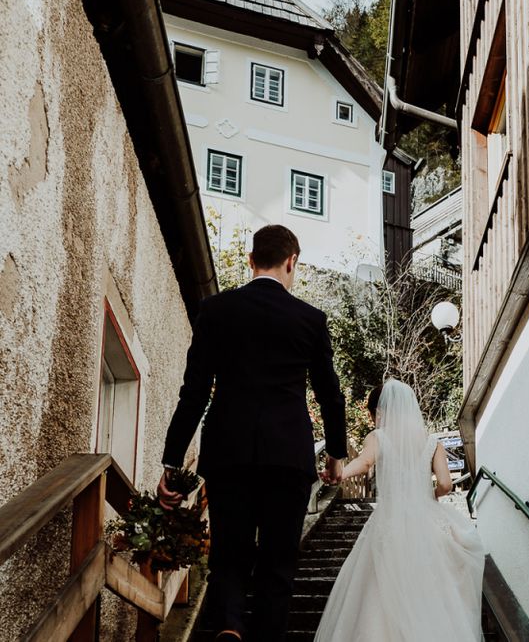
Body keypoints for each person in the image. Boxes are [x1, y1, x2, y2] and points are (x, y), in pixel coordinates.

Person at [158, 224, 347, 642]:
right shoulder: (310, 320)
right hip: (288, 457)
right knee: (278, 563)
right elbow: (330, 395)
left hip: (229, 453)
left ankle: (228, 624)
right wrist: (335, 453)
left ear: (250, 260)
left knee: (229, 553)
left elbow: (193, 393)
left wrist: (172, 464)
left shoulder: (215, 310)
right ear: (291, 261)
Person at [314, 379, 484, 641]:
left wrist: (339, 474)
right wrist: (429, 495)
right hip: (428, 525)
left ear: (379, 412)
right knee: (429, 595)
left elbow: (364, 461)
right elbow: (447, 485)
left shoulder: (378, 437)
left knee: (379, 595)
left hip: (389, 524)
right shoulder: (432, 442)